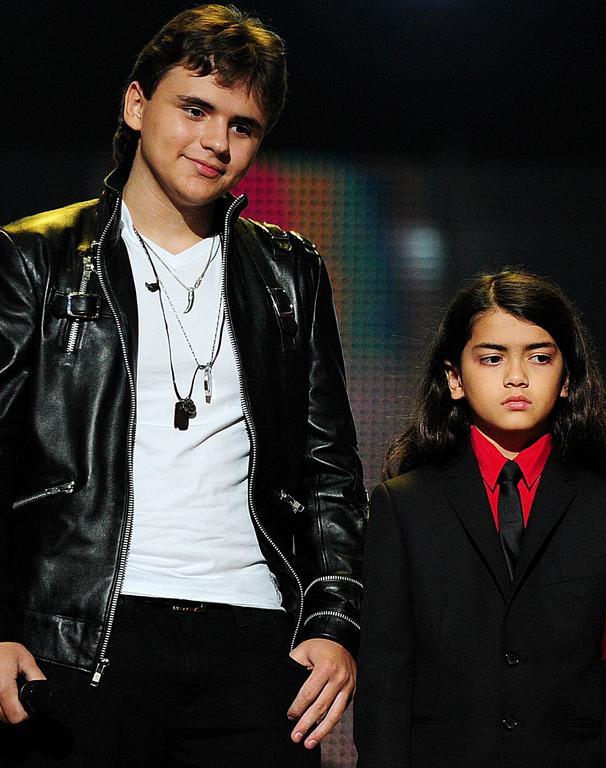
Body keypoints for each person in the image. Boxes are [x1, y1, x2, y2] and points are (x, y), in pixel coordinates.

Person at [0, 6, 366, 765]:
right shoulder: (36, 257)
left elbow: (329, 470)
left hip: (256, 642)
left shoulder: (289, 273)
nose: (215, 142)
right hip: (83, 633)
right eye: (194, 109)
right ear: (138, 105)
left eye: (242, 126)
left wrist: (332, 625)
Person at [353, 270, 606, 767]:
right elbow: (385, 677)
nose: (516, 377)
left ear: (568, 379)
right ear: (454, 377)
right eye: (492, 358)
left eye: (539, 358)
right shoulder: (403, 506)